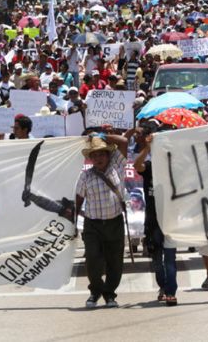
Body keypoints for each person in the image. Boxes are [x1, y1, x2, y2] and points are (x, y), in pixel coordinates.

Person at [75, 132, 129, 308]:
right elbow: (78, 200)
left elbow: (124, 141)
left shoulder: (117, 167)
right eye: (94, 155)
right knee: (92, 260)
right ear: (90, 158)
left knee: (115, 262)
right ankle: (95, 292)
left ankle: (110, 294)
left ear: (108, 155)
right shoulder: (85, 176)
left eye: (101, 154)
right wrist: (72, 224)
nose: (98, 158)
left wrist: (104, 135)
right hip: (93, 225)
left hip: (114, 222)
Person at [133, 123, 178, 306]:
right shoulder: (149, 167)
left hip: (170, 220)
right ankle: (163, 286)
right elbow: (137, 165)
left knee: (170, 259)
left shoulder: (174, 168)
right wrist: (147, 148)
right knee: (157, 261)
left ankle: (171, 291)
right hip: (153, 221)